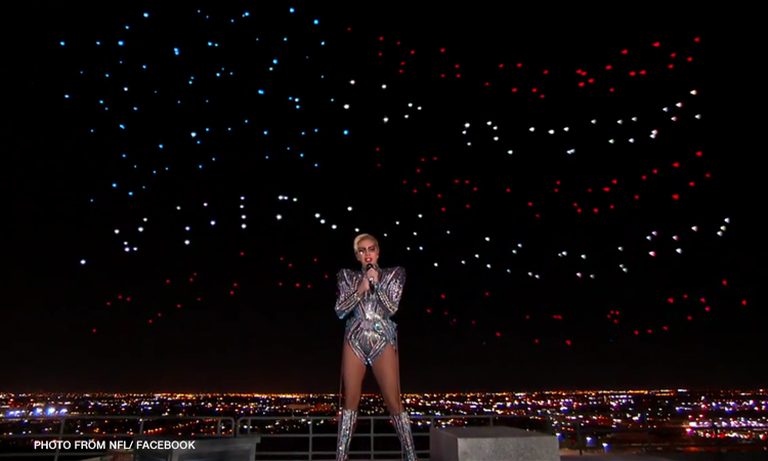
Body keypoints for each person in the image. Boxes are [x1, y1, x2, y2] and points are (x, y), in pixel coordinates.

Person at [334, 233, 417, 461]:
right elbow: (340, 311)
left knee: (393, 400)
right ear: (357, 255)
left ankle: (411, 457)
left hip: (381, 338)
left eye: (371, 249)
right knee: (350, 401)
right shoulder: (347, 276)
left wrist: (377, 283)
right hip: (355, 338)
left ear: (378, 252)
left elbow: (391, 309)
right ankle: (341, 457)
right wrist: (360, 289)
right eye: (362, 250)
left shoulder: (394, 274)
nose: (367, 254)